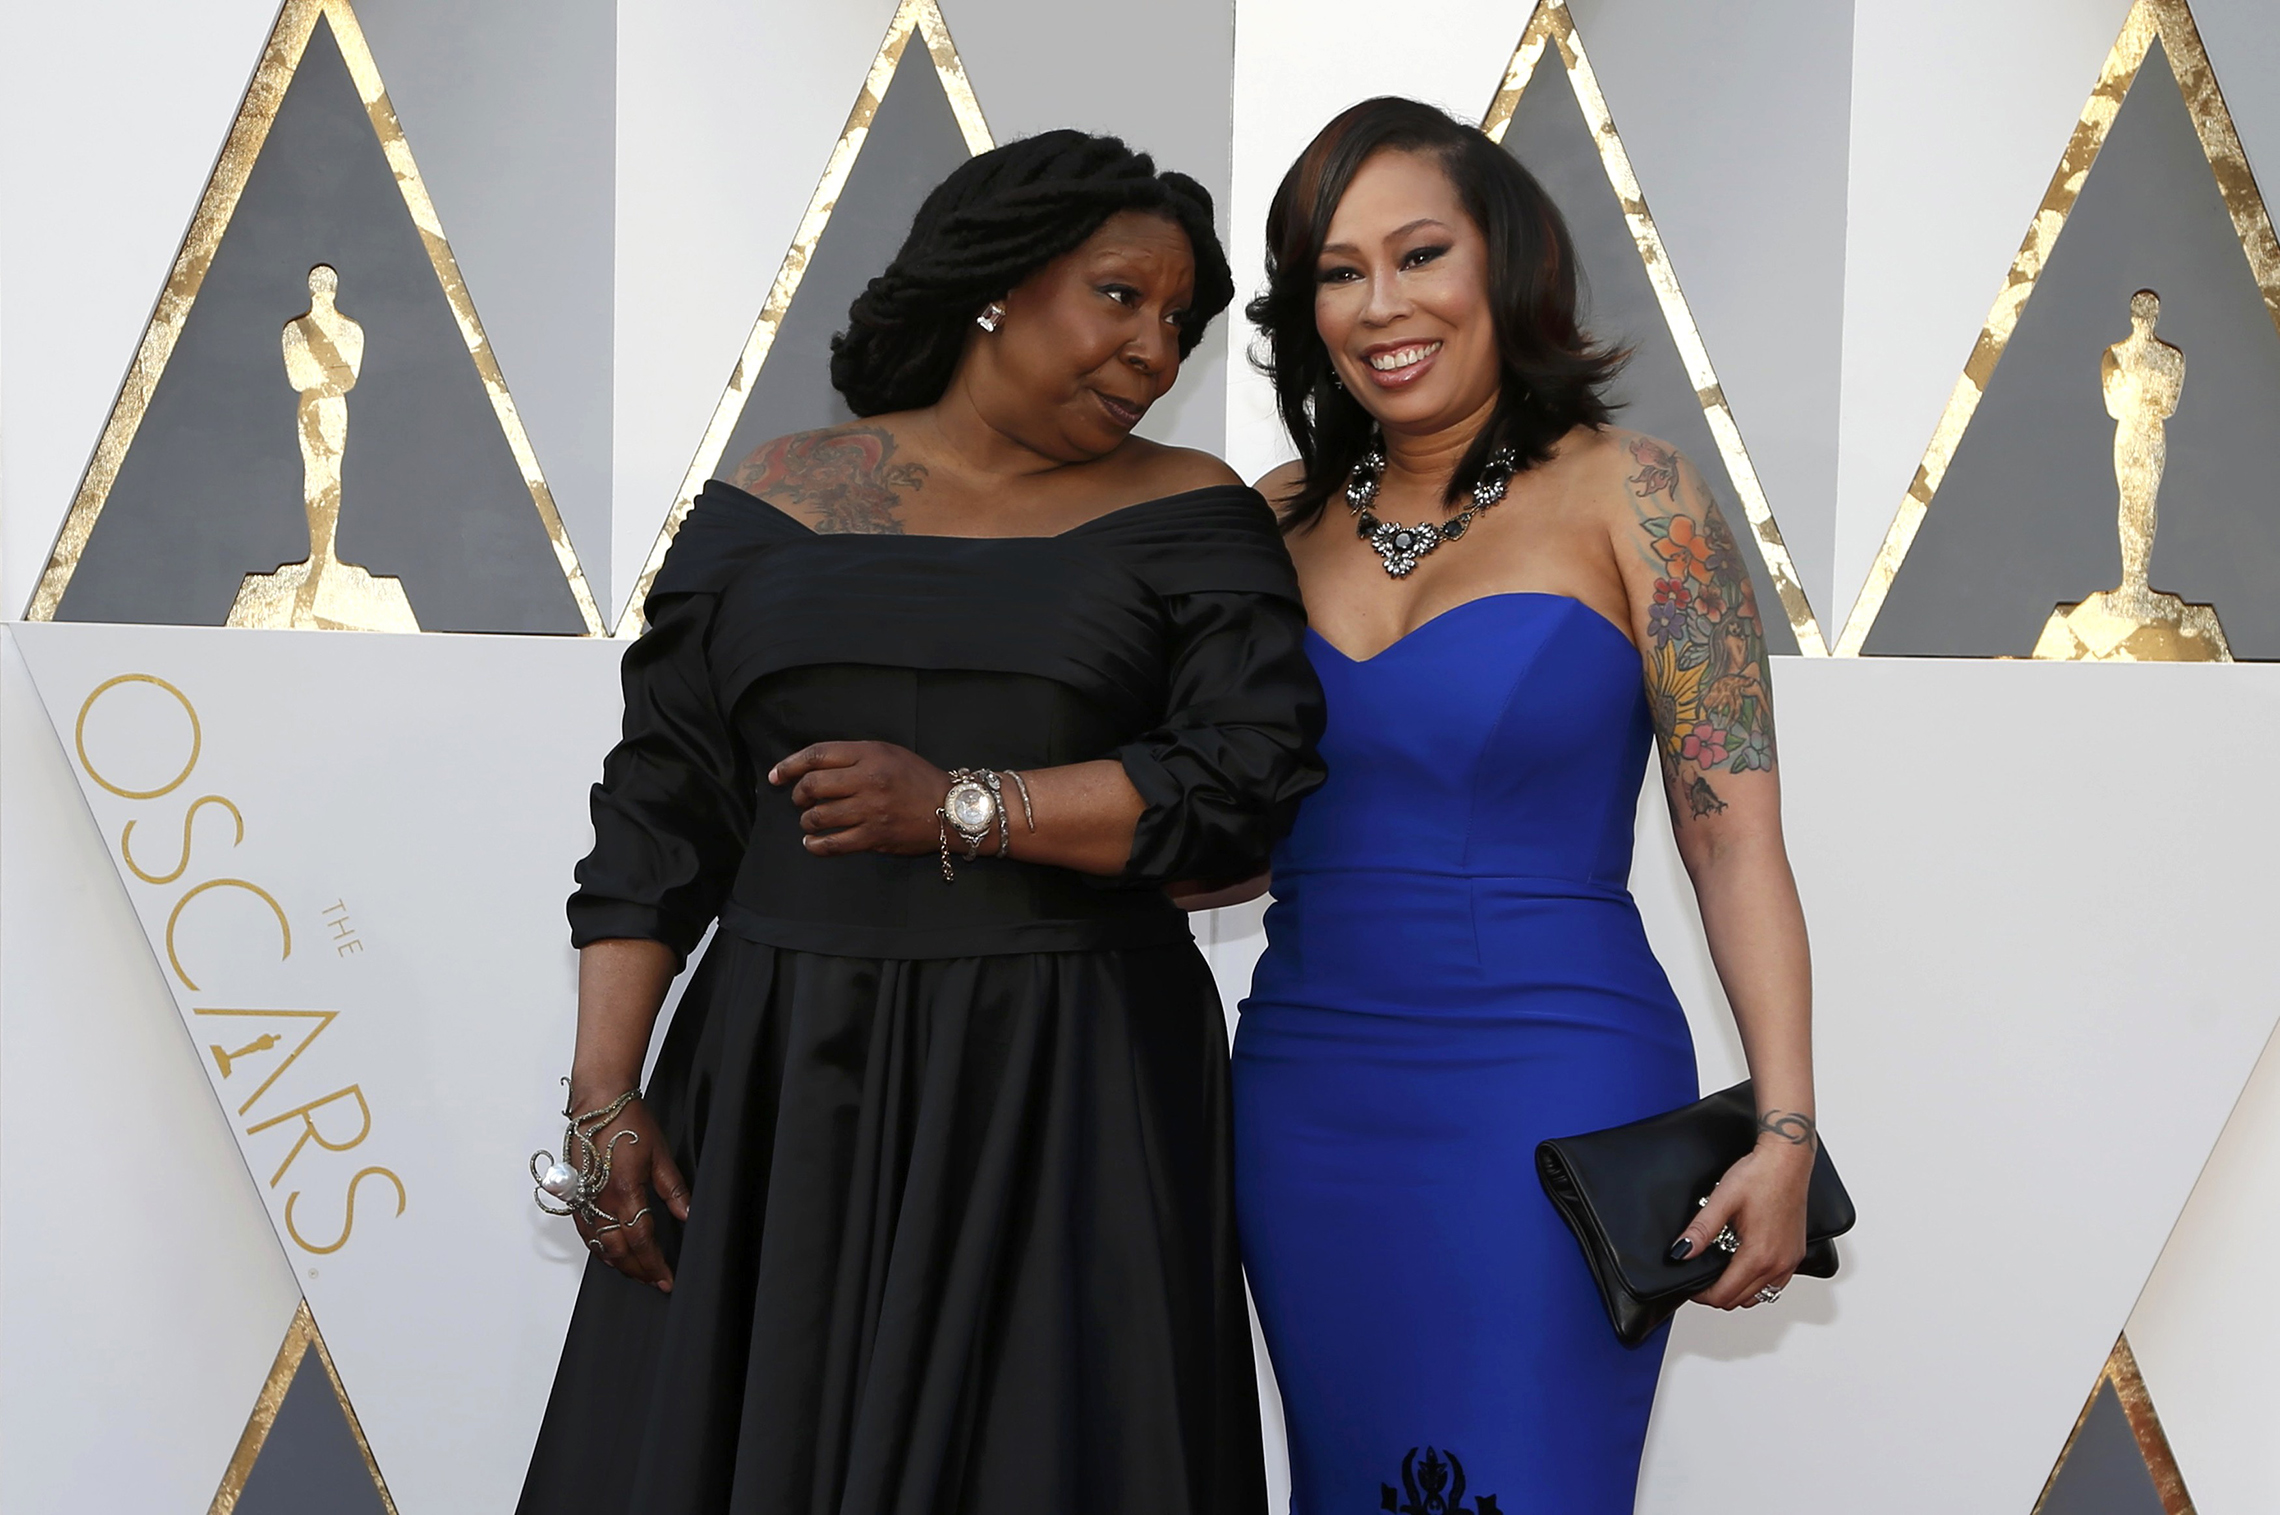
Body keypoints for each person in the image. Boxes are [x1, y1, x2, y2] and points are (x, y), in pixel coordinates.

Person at [518, 131, 1323, 1515]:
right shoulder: (771, 497)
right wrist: (605, 1095)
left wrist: (956, 804)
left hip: (1071, 1071)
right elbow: (660, 814)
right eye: (1121, 296)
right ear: (998, 281)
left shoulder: (1188, 512)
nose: (1154, 349)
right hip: (781, 1073)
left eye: (1180, 323)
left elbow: (1245, 782)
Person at [1229, 97, 1818, 1513]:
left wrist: (1785, 1131)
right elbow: (1202, 833)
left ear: (1505, 261)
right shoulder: (1263, 520)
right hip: (1305, 1100)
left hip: (1553, 1095)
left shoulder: (1643, 498)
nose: (1382, 305)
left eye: (1420, 253)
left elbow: (1731, 836)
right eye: (1337, 270)